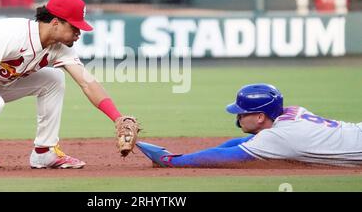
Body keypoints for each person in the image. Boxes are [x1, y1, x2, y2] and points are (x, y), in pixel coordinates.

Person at [0, 0, 134, 172]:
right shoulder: (13, 34)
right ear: (55, 22)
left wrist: (117, 117)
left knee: (54, 79)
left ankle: (44, 152)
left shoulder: (61, 47)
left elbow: (87, 82)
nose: (79, 33)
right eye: (75, 27)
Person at [137, 83, 362, 168]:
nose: (238, 118)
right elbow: (240, 143)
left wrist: (172, 161)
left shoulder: (278, 138)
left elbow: (224, 156)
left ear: (261, 117)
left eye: (242, 113)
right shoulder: (290, 114)